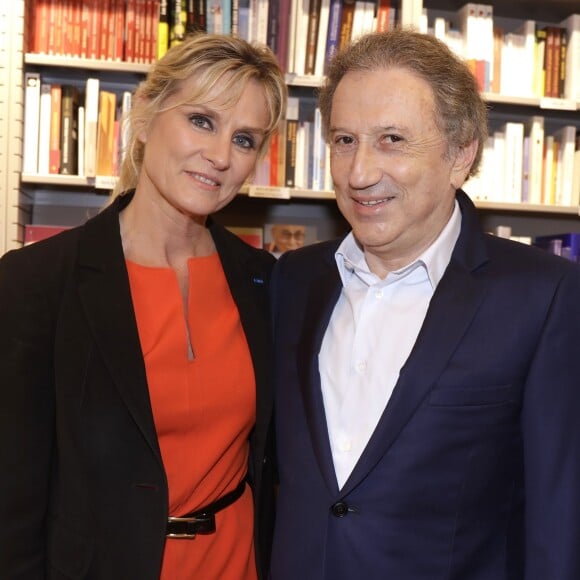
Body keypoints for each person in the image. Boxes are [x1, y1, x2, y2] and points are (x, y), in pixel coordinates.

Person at [270, 28, 580, 580]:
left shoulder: (544, 296)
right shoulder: (292, 282)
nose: (360, 173)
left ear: (460, 154)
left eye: (392, 139)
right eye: (344, 140)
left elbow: (558, 516)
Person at [0, 33, 286, 580]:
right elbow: (12, 499)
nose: (221, 156)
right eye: (202, 120)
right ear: (146, 112)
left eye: (245, 139)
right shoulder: (37, 283)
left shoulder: (264, 281)